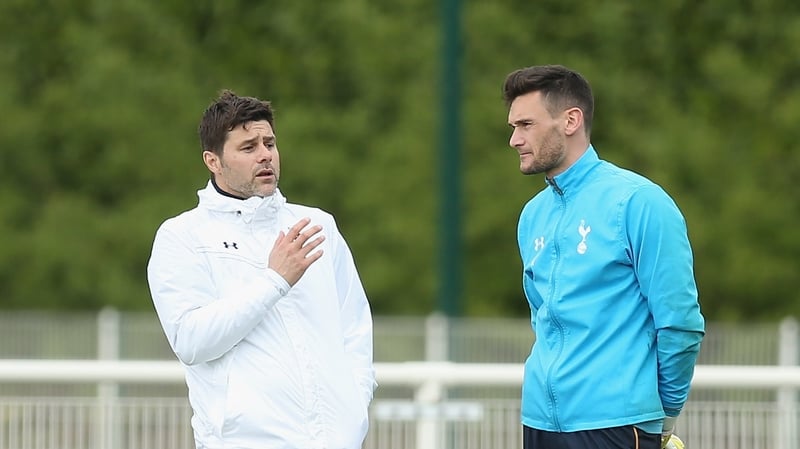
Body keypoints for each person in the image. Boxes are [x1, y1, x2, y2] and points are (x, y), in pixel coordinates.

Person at [147, 90, 376, 449]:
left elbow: (356, 329)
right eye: (248, 147)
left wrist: (353, 410)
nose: (265, 155)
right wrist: (274, 281)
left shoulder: (318, 225)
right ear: (213, 161)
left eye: (269, 143)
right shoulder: (182, 236)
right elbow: (191, 341)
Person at [502, 65, 705, 449]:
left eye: (526, 124)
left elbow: (679, 323)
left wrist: (663, 415)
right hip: (539, 423)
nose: (515, 139)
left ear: (571, 120)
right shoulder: (532, 216)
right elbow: (542, 320)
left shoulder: (640, 202)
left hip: (616, 425)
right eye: (513, 127)